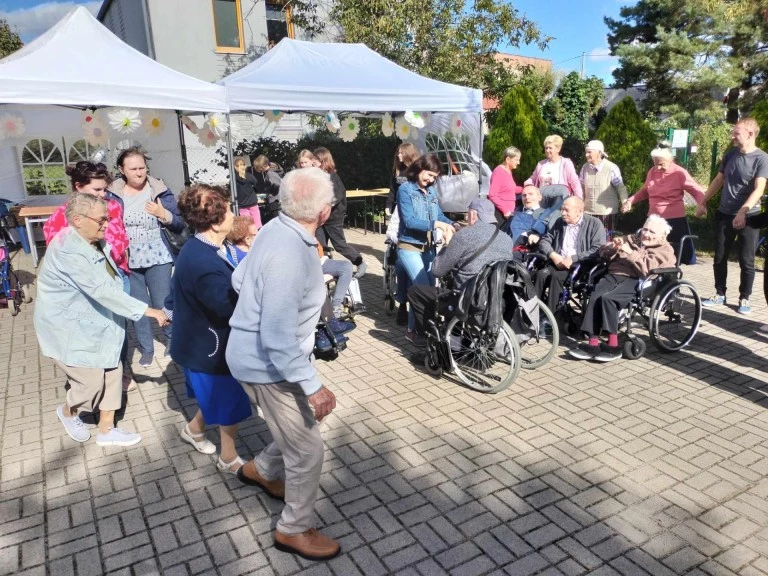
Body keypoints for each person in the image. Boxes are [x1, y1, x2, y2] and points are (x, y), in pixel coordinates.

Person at [226, 167, 340, 560]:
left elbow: (240, 280)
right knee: (308, 449)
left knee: (302, 424)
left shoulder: (276, 228)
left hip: (259, 357)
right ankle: (293, 529)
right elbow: (276, 336)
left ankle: (262, 469)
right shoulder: (291, 251)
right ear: (323, 211)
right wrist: (313, 385)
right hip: (266, 363)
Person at [35, 194, 167, 446]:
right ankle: (67, 412)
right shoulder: (68, 250)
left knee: (113, 371)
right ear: (77, 220)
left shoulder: (95, 240)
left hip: (99, 322)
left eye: (107, 219)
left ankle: (106, 431)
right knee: (90, 384)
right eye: (101, 220)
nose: (106, 224)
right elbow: (101, 291)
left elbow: (110, 282)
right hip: (69, 328)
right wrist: (148, 311)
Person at [167, 184, 251, 473]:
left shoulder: (204, 245)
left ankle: (193, 430)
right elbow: (226, 309)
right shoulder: (204, 261)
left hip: (203, 342)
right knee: (229, 399)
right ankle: (228, 458)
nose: (232, 214)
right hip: (209, 347)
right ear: (216, 219)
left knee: (218, 396)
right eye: (227, 209)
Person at [43, 161, 136, 393]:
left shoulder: (113, 207)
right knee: (87, 332)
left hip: (115, 277)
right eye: (96, 190)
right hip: (82, 287)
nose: (103, 195)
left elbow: (121, 237)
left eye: (104, 189)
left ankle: (117, 374)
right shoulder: (60, 217)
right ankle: (85, 381)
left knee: (117, 329)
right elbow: (60, 255)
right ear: (78, 187)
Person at [109, 146, 183, 367]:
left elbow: (179, 222)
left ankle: (172, 341)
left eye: (142, 167)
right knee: (137, 306)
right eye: (133, 169)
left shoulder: (158, 189)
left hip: (158, 255)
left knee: (162, 302)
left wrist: (164, 214)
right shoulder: (114, 194)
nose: (139, 173)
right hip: (127, 258)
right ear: (122, 170)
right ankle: (146, 348)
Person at [569, 215, 676, 362]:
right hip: (615, 274)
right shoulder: (631, 239)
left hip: (639, 281)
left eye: (652, 232)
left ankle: (613, 345)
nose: (646, 234)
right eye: (645, 229)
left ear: (662, 236)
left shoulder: (665, 250)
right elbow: (604, 255)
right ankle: (593, 343)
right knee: (595, 296)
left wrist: (631, 253)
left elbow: (647, 271)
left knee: (609, 299)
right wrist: (611, 248)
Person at [407, 198, 515, 339]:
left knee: (415, 292)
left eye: (467, 213)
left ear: (473, 214)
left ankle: (425, 340)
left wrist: (447, 243)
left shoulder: (464, 235)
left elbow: (437, 270)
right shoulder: (507, 239)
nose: (466, 217)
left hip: (466, 299)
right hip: (496, 296)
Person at [695, 117, 768, 315]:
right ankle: (720, 293)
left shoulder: (762, 158)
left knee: (746, 260)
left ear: (750, 134)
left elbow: (759, 189)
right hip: (724, 214)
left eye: (736, 133)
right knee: (719, 257)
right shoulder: (730, 155)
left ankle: (745, 297)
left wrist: (743, 212)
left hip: (749, 217)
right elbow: (719, 180)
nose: (732, 136)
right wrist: (703, 201)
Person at [396, 153, 456, 345]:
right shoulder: (405, 190)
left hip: (428, 247)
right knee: (420, 288)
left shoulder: (431, 192)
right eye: (429, 175)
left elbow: (439, 215)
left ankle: (427, 326)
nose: (430, 180)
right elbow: (410, 221)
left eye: (434, 177)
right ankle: (413, 330)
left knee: (431, 289)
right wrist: (437, 224)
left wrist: (454, 224)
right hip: (409, 246)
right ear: (419, 168)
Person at [622, 141, 704, 265]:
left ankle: (671, 275)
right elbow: (645, 191)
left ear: (670, 160)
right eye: (655, 164)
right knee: (649, 250)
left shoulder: (679, 173)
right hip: (654, 218)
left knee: (676, 254)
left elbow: (695, 189)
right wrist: (630, 201)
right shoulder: (652, 172)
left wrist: (701, 204)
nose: (658, 168)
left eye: (661, 164)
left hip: (674, 219)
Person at [533, 196, 605, 314]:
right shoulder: (559, 222)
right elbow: (545, 241)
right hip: (558, 261)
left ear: (579, 211)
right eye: (562, 209)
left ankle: (550, 318)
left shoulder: (594, 224)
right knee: (541, 275)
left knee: (556, 277)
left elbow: (598, 249)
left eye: (566, 210)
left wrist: (573, 258)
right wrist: (553, 255)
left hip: (580, 266)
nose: (562, 213)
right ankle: (532, 312)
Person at [313, 147, 367, 278]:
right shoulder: (318, 176)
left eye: (315, 159)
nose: (313, 162)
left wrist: (324, 206)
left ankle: (359, 262)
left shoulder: (333, 177)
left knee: (339, 245)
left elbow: (336, 197)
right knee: (320, 245)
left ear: (323, 160)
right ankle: (325, 268)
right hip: (320, 219)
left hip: (333, 218)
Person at [579, 140, 628, 232]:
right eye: (586, 152)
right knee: (587, 240)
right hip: (587, 212)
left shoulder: (611, 168)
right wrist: (579, 204)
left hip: (606, 213)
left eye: (589, 152)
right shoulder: (585, 167)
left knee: (605, 242)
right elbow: (580, 188)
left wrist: (625, 202)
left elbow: (621, 188)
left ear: (599, 153)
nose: (586, 155)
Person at [488, 146, 524, 225]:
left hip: (508, 213)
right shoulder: (499, 172)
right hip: (500, 214)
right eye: (516, 160)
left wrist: (525, 189)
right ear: (508, 159)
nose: (518, 163)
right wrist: (505, 210)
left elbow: (511, 189)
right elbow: (492, 195)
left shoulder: (508, 171)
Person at [386, 143, 419, 214]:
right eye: (398, 153)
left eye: (401, 153)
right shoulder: (397, 169)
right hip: (398, 206)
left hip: (414, 207)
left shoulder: (417, 169)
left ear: (408, 153)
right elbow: (393, 189)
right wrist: (388, 205)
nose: (398, 155)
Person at [233, 155, 263, 229]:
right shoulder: (250, 176)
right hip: (252, 202)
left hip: (242, 204)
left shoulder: (233, 179)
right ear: (245, 166)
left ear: (235, 167)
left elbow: (232, 190)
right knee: (257, 223)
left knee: (247, 225)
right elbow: (256, 184)